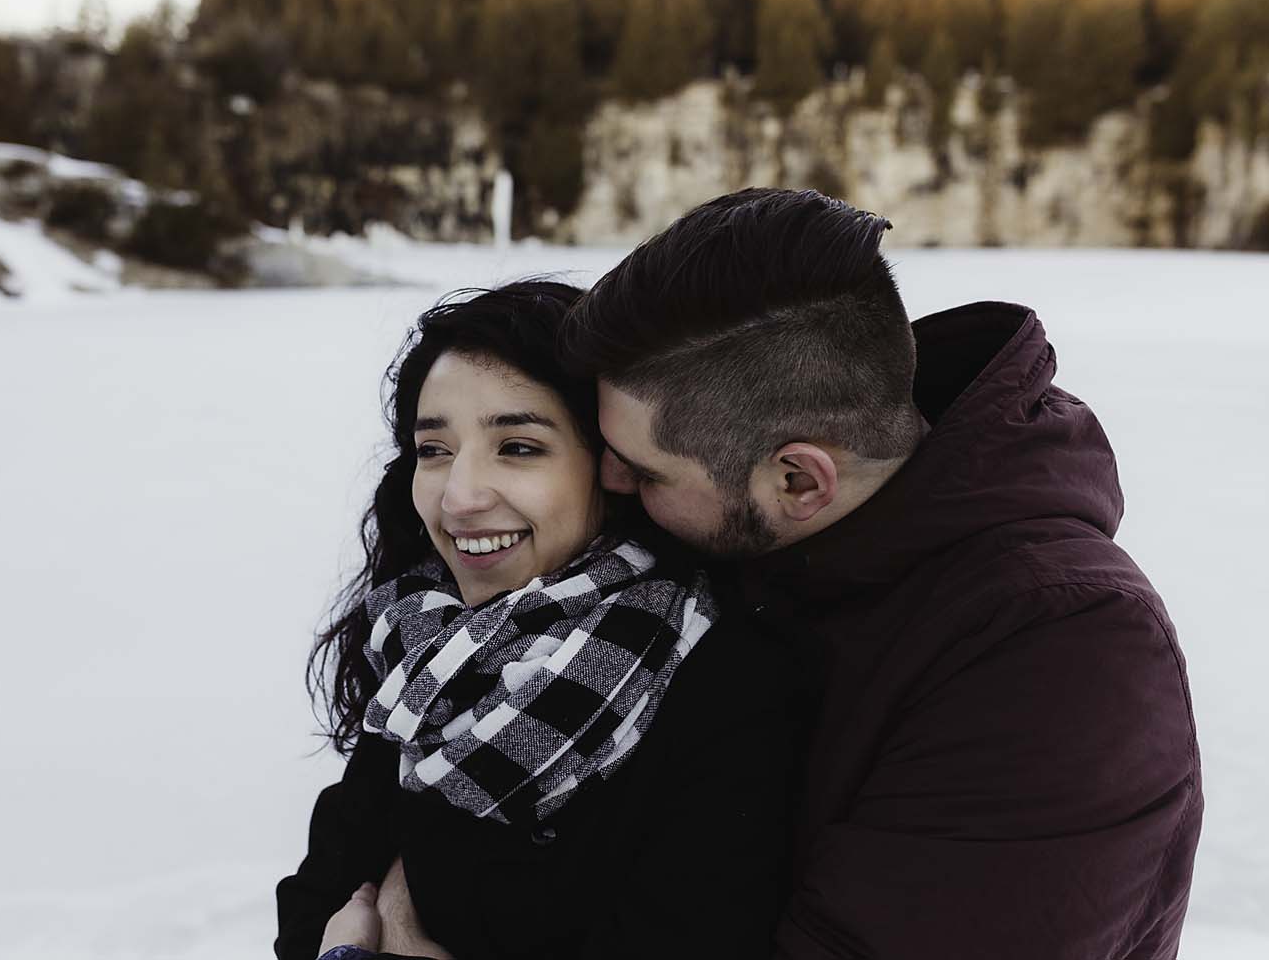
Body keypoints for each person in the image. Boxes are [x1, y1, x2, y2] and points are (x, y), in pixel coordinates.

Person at [375, 188, 1203, 958]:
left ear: (800, 481)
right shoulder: (724, 559)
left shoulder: (1063, 662)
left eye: (647, 471)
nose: (612, 486)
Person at [275, 281, 794, 960]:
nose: (459, 497)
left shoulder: (720, 681)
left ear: (613, 468)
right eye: (434, 450)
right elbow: (310, 909)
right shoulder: (424, 646)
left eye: (518, 447)